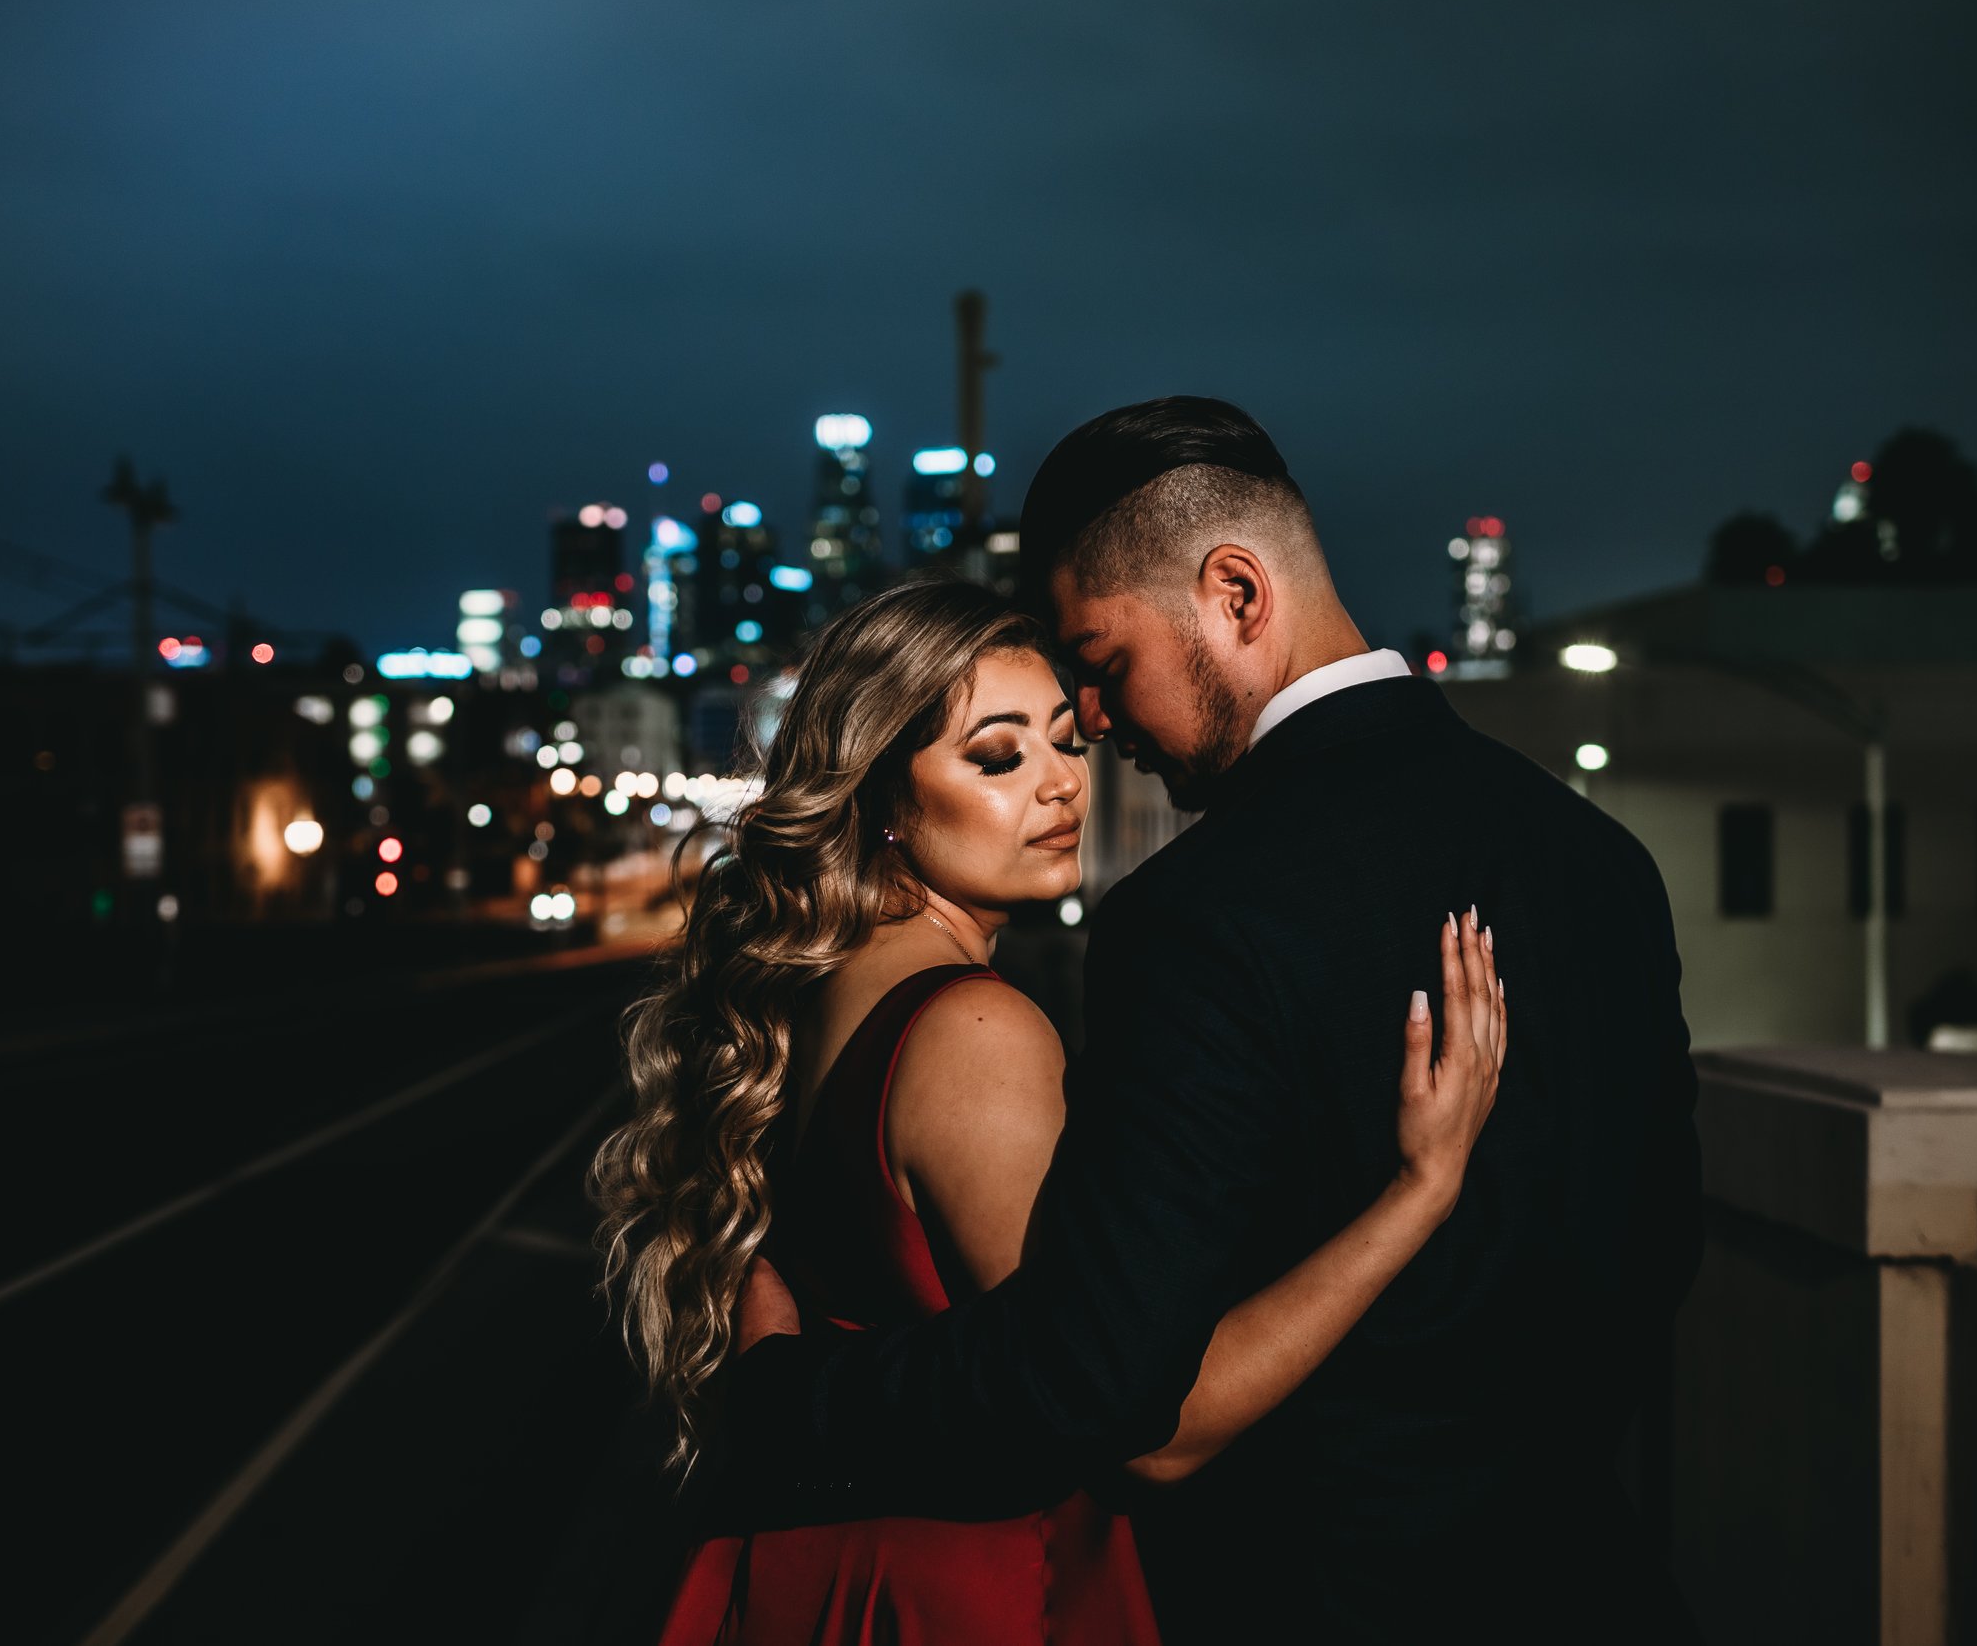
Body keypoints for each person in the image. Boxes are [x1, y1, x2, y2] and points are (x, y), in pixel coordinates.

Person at [722, 397, 1706, 1644]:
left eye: (1101, 660)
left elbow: (1102, 1379)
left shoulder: (1196, 915)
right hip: (1584, 1581)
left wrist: (797, 1400)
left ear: (1235, 594)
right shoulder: (1602, 861)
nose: (1094, 723)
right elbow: (1661, 1241)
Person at [588, 574, 1507, 1644]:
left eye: (1066, 739)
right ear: (884, 799)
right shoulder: (973, 1031)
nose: (1061, 781)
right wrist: (1418, 1189)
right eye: (996, 754)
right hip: (972, 1586)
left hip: (829, 1567)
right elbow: (1143, 1422)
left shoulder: (814, 992)